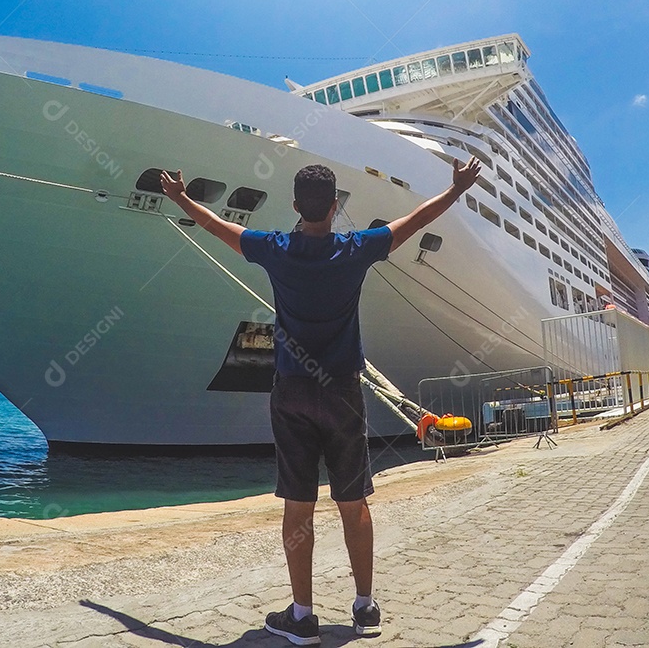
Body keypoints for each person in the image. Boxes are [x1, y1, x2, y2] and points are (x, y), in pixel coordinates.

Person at [161, 156, 481, 644]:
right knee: (353, 502)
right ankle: (365, 608)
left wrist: (181, 197)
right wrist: (456, 189)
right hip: (344, 394)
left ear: (294, 206)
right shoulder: (357, 249)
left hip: (292, 394)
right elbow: (417, 219)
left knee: (298, 506)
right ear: (336, 206)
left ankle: (303, 616)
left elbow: (217, 225)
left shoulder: (274, 249)